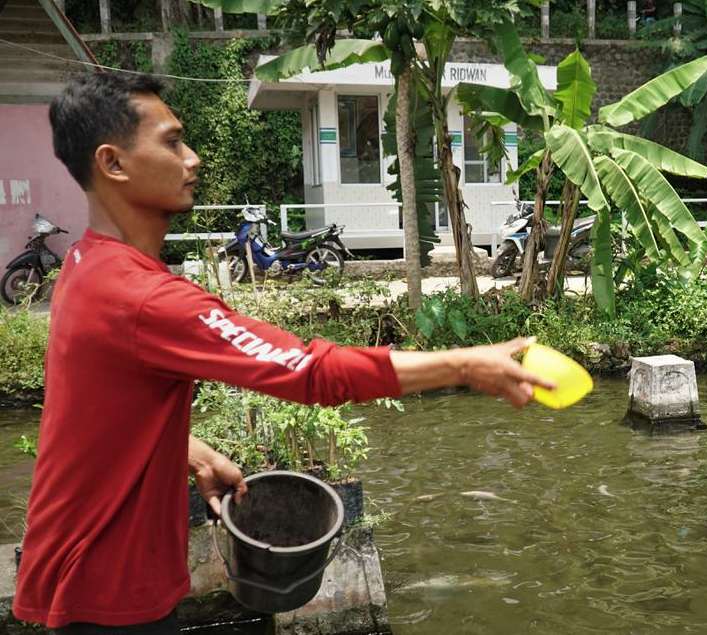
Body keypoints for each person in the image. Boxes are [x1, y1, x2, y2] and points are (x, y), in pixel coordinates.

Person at [13, 71, 554, 634]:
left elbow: (96, 405)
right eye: (172, 142)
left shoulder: (84, 265)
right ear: (113, 163)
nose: (193, 158)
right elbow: (312, 372)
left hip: (82, 576)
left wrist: (189, 450)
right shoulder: (144, 297)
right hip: (107, 591)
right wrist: (465, 364)